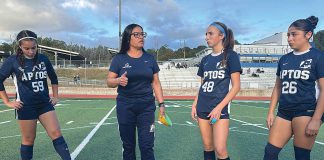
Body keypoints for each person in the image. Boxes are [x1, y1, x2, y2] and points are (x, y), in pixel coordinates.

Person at [0, 30, 71, 160]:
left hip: (44, 103)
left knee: (56, 133)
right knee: (29, 139)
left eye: (33, 48)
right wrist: (7, 101)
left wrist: (55, 96)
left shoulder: (43, 58)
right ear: (20, 46)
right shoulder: (12, 61)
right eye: (26, 48)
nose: (31, 51)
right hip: (25, 106)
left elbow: (53, 78)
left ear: (37, 45)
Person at [264, 16, 324, 160]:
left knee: (301, 156)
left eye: (294, 34)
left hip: (307, 111)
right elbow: (278, 87)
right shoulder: (284, 59)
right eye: (288, 35)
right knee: (270, 153)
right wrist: (271, 111)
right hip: (284, 112)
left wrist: (316, 119)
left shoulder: (318, 57)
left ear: (308, 35)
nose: (290, 38)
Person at [107, 24, 165, 160]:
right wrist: (118, 81)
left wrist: (161, 104)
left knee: (147, 146)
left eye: (142, 34)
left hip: (146, 107)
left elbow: (155, 82)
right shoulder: (119, 59)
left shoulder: (149, 58)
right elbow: (109, 81)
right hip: (125, 106)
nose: (141, 37)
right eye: (136, 34)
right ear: (128, 38)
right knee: (128, 146)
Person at [191, 22, 241, 160]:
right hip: (203, 106)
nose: (206, 37)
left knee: (220, 149)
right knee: (207, 146)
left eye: (210, 33)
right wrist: (195, 104)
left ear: (221, 36)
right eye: (206, 34)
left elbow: (236, 86)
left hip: (220, 109)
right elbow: (202, 85)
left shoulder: (231, 56)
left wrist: (219, 108)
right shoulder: (205, 60)